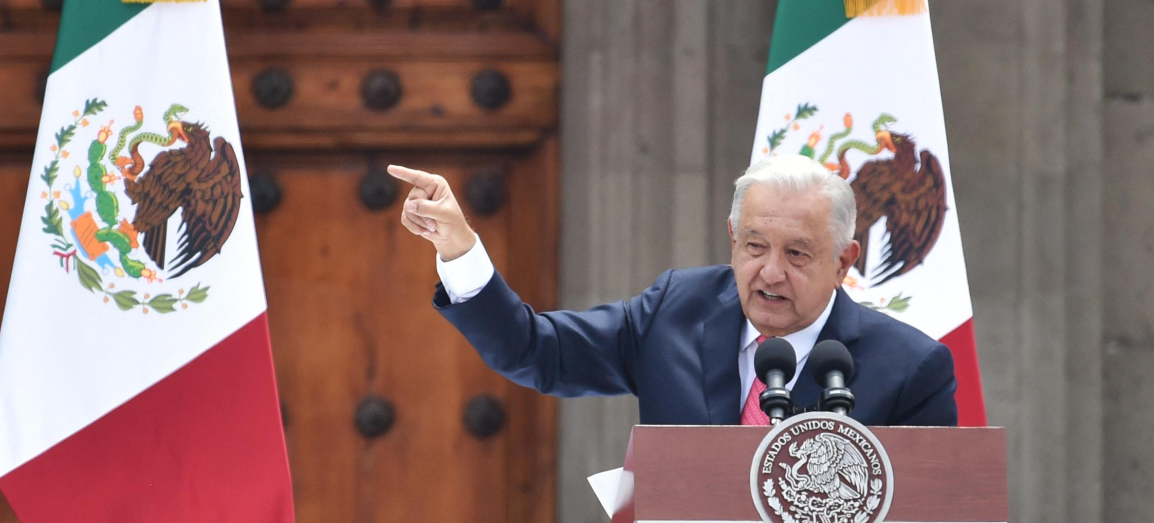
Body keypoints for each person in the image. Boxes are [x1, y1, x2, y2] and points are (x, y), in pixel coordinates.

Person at [386, 154, 957, 426]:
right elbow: (533, 350)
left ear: (844, 262)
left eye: (799, 254)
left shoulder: (911, 368)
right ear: (733, 239)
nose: (771, 273)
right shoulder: (675, 311)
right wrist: (461, 251)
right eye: (755, 247)